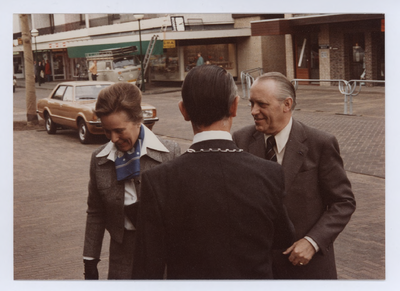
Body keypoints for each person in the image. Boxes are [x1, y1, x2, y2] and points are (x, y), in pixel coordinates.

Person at [131, 65, 294, 279]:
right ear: (234, 107)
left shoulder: (159, 180)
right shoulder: (270, 172)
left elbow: (147, 268)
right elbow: (283, 238)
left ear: (184, 111)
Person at [233, 72, 356, 279]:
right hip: (256, 269)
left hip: (307, 269)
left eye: (262, 104)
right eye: (251, 104)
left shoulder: (320, 144)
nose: (254, 111)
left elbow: (343, 202)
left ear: (287, 104)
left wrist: (313, 241)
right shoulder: (240, 140)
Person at [83, 82, 181, 280]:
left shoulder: (170, 153)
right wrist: (90, 261)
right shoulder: (100, 160)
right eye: (106, 131)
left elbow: (181, 214)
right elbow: (95, 212)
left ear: (138, 120)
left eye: (119, 131)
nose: (113, 139)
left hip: (162, 254)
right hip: (121, 255)